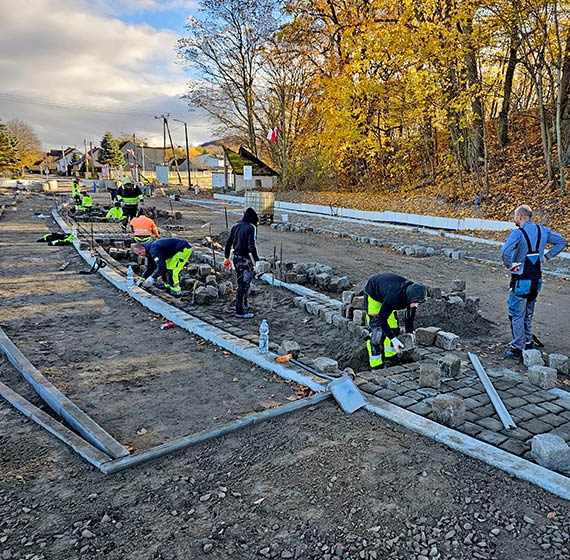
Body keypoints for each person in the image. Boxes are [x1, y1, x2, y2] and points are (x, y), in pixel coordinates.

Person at [501, 205, 567, 360]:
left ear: (521, 217)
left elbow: (505, 252)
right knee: (528, 312)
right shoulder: (542, 231)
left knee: (516, 313)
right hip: (536, 279)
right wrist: (546, 256)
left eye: (515, 216)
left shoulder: (518, 233)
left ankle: (517, 348)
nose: (514, 219)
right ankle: (528, 342)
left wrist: (510, 265)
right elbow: (562, 242)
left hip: (521, 280)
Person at [363, 273, 426, 369]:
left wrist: (410, 334)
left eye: (418, 303)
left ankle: (391, 357)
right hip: (374, 294)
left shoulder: (413, 293)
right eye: (415, 303)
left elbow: (409, 317)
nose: (416, 305)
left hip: (387, 294)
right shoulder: (394, 298)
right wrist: (393, 339)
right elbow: (381, 318)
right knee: (377, 333)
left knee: (393, 328)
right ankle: (376, 364)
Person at [224, 207, 262, 319]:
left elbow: (228, 243)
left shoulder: (236, 227)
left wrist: (226, 257)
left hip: (236, 259)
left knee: (242, 283)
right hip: (246, 260)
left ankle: (243, 306)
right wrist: (256, 261)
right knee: (243, 286)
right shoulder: (251, 228)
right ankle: (239, 311)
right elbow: (251, 246)